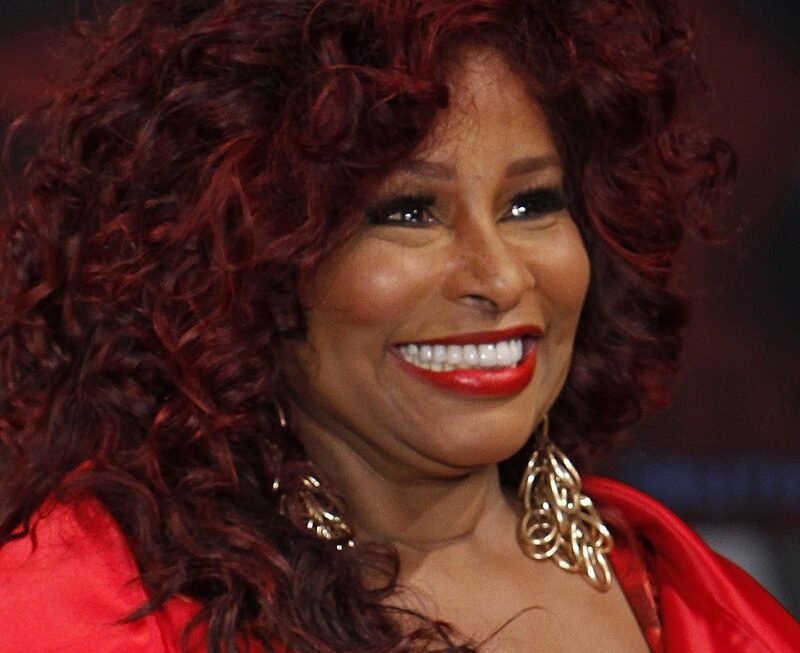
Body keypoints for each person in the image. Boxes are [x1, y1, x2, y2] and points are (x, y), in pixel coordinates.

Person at [0, 0, 797, 651]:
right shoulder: (78, 608)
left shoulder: (700, 600)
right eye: (409, 211)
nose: (500, 277)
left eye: (531, 204)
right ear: (246, 256)